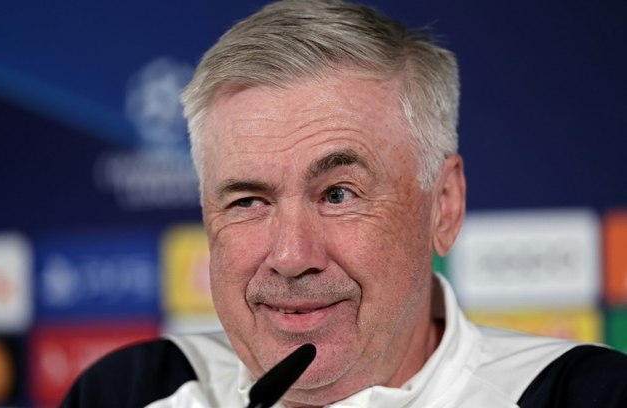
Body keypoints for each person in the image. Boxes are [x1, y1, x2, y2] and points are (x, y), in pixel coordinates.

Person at [61, 0, 627, 407]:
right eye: (249, 201)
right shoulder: (130, 392)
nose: (289, 255)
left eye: (337, 194)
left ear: (444, 206)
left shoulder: (582, 394)